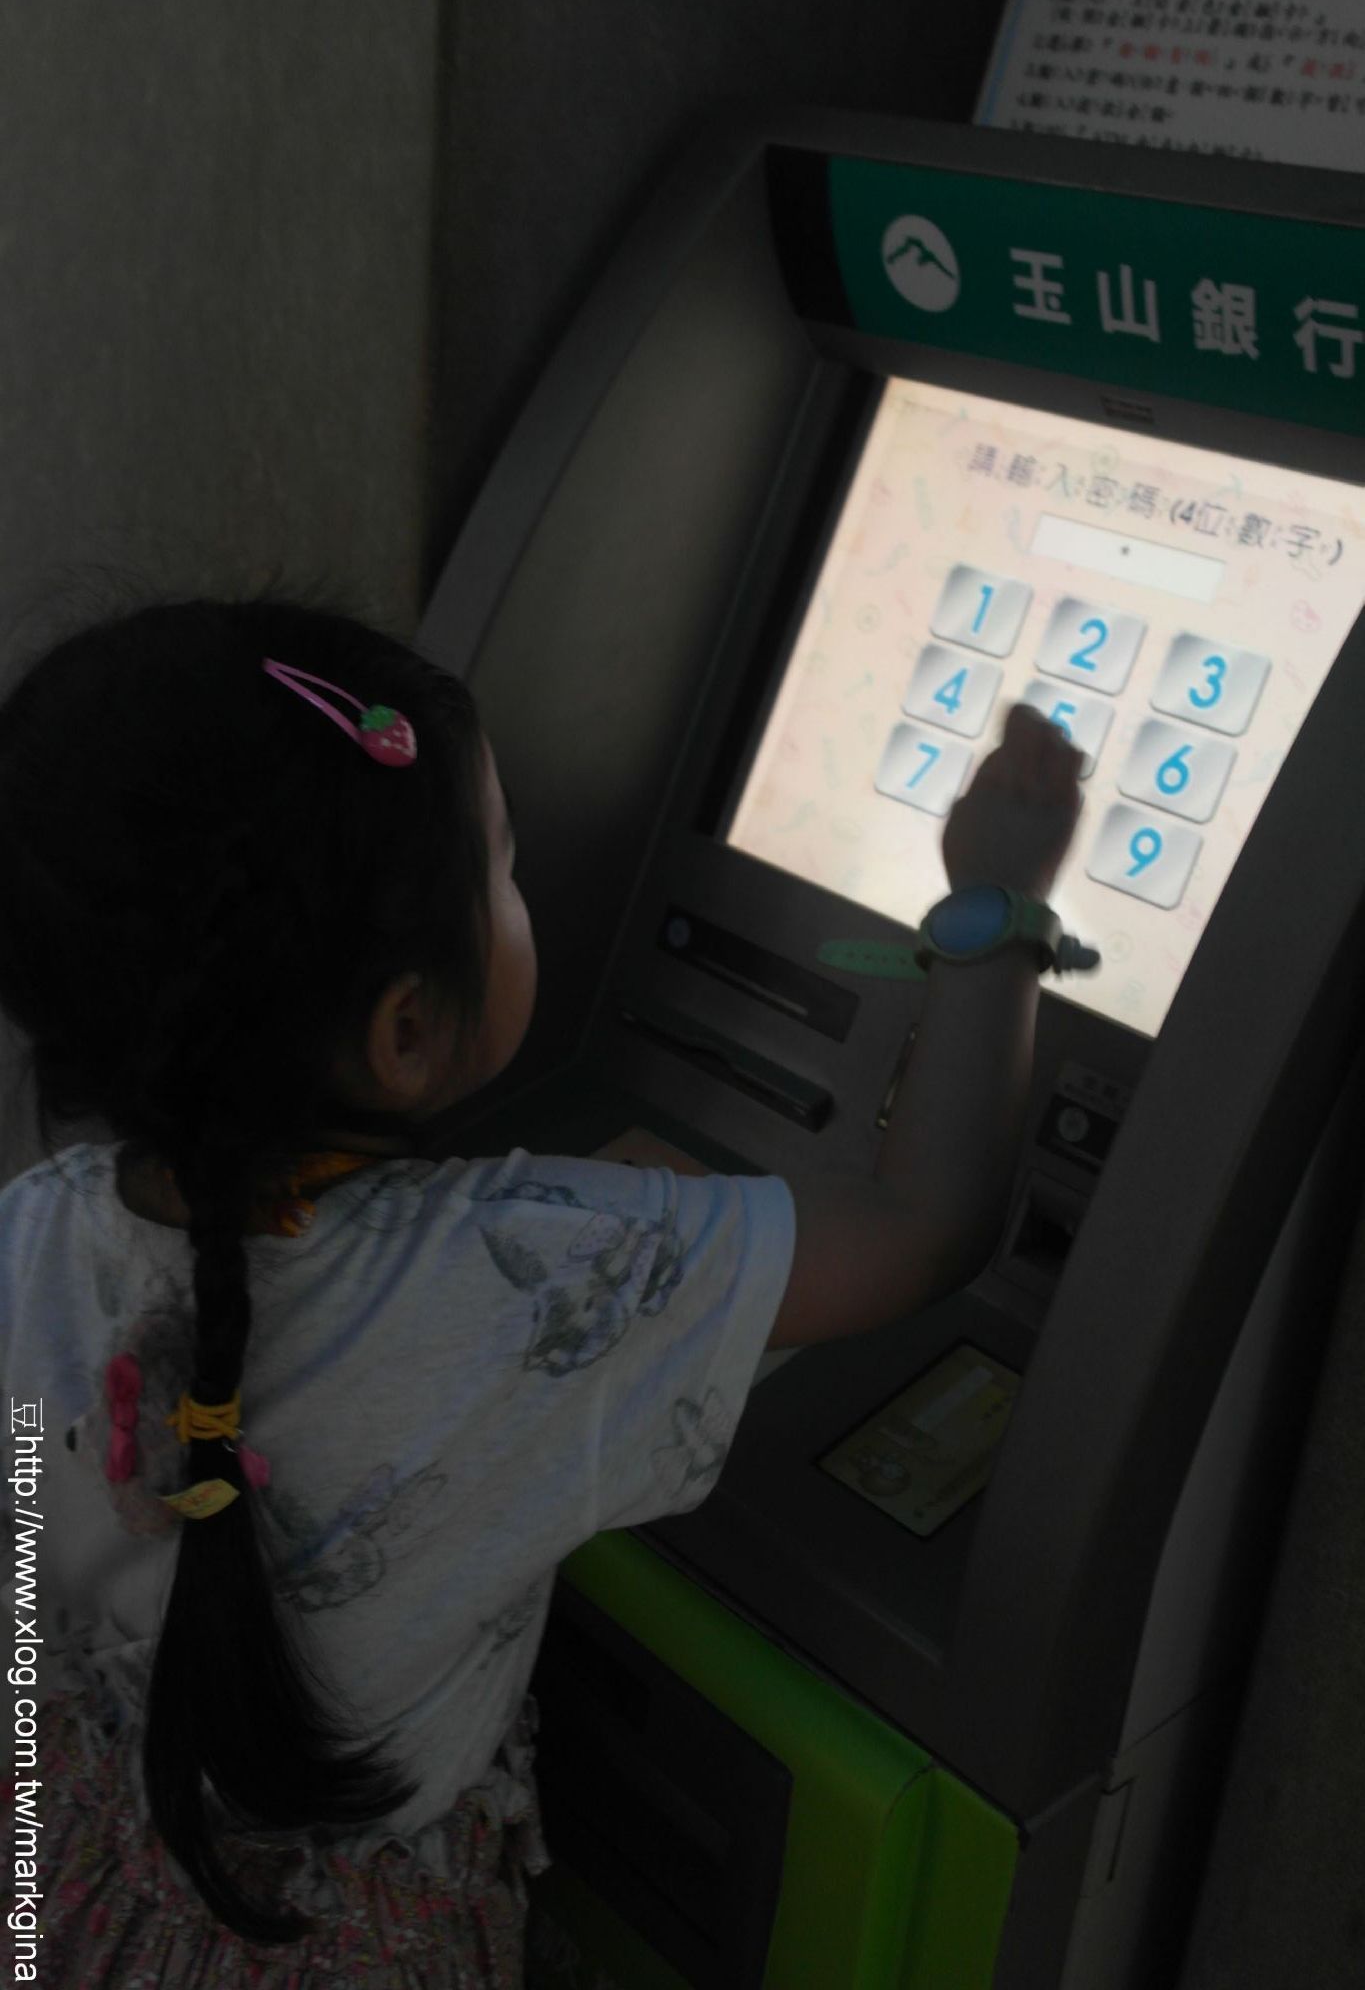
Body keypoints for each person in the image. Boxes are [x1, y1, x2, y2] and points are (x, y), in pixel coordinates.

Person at [0, 586, 1082, 1987]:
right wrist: (996, 910)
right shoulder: (539, 1281)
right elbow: (924, 1222)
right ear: (403, 1032)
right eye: (504, 868)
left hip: (80, 1869)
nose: (522, 894)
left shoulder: (28, 1229)